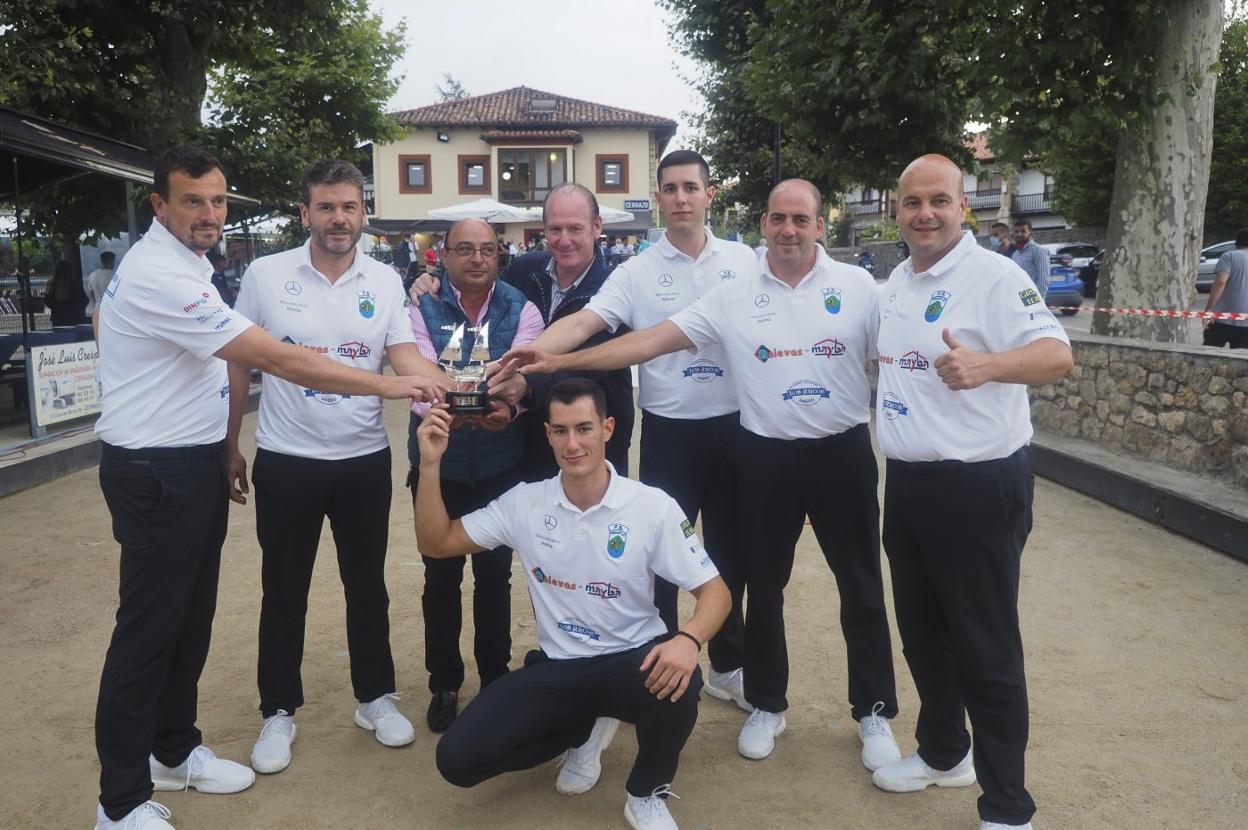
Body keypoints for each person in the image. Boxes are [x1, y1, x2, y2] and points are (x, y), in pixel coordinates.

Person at [91, 145, 443, 830]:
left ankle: (174, 750)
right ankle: (121, 802)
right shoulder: (166, 273)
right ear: (159, 205)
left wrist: (446, 384)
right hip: (158, 467)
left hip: (192, 462)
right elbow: (272, 358)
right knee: (149, 633)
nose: (209, 214)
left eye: (218, 201)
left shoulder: (190, 265)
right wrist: (391, 385)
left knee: (189, 622)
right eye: (192, 201)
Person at [504, 179, 900, 770]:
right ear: (763, 224)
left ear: (820, 225)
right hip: (766, 454)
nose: (788, 230)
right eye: (778, 219)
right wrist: (555, 362)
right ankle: (766, 702)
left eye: (801, 219)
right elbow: (645, 343)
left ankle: (873, 711)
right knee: (763, 585)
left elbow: (901, 351)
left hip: (842, 451)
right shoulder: (733, 294)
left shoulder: (859, 287)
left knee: (862, 586)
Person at [494, 150, 756, 720]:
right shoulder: (636, 270)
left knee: (730, 553)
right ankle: (651, 663)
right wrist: (533, 355)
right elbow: (583, 323)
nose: (681, 198)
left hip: (737, 424)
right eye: (670, 189)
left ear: (709, 194)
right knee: (655, 559)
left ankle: (728, 665)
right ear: (657, 198)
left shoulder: (745, 260)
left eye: (691, 187)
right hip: (669, 429)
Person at [416, 378, 731, 830]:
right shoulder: (525, 502)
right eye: (561, 431)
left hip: (632, 661)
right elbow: (437, 541)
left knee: (681, 679)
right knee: (458, 760)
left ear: (607, 428)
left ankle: (646, 792)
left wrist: (688, 639)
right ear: (547, 434)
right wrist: (430, 465)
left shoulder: (651, 506)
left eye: (584, 428)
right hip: (559, 667)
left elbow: (715, 592)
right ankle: (583, 727)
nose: (573, 444)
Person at [223, 159, 448, 775]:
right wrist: (230, 440)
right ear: (305, 213)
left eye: (349, 207)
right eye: (326, 207)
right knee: (283, 590)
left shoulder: (385, 279)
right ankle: (278, 710)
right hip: (287, 459)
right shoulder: (266, 276)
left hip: (361, 460)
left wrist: (455, 386)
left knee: (367, 586)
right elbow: (238, 361)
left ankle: (374, 698)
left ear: (363, 214)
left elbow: (403, 355)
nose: (339, 218)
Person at [868, 154, 1073, 830]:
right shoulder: (897, 281)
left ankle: (1008, 807)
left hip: (980, 484)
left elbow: (1057, 354)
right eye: (912, 202)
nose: (925, 213)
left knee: (985, 647)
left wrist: (989, 365)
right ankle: (943, 752)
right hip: (909, 483)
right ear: (897, 210)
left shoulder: (995, 275)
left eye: (939, 201)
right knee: (924, 636)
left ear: (963, 208)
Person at [408, 217, 544, 733]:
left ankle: (494, 679)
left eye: (487, 249)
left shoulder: (521, 309)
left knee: (494, 579)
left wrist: (507, 408)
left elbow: (517, 379)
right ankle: (444, 683)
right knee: (440, 579)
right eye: (464, 249)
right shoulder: (420, 306)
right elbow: (420, 375)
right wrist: (468, 403)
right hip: (437, 468)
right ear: (443, 255)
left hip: (498, 467)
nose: (477, 259)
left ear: (499, 254)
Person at [408, 182, 635, 481]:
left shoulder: (618, 285)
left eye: (575, 229)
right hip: (530, 439)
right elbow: (481, 281)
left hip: (590, 437)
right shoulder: (527, 269)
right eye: (555, 229)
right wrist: (435, 280)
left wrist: (527, 386)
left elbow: (591, 365)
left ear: (596, 227)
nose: (564, 239)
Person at [1202, 227, 1248, 348]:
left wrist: (1209, 309)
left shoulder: (1229, 256)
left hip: (1221, 319)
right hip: (1246, 323)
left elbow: (1221, 282)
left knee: (1209, 353)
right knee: (1241, 357)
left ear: (1237, 242)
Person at [1009, 220, 1049, 298]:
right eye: (1016, 232)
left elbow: (1043, 280)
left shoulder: (1038, 250)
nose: (1019, 234)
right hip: (1017, 297)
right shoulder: (1015, 254)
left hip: (1032, 298)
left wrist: (1036, 300)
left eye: (1023, 231)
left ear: (1030, 232)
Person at [44, 259, 88, 325]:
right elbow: (84, 301)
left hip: (58, 319)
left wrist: (57, 308)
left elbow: (48, 301)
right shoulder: (75, 285)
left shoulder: (52, 286)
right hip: (74, 318)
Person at [86, 251, 117, 317]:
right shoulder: (115, 276)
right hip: (112, 309)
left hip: (98, 309)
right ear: (112, 261)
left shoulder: (92, 275)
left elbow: (91, 294)